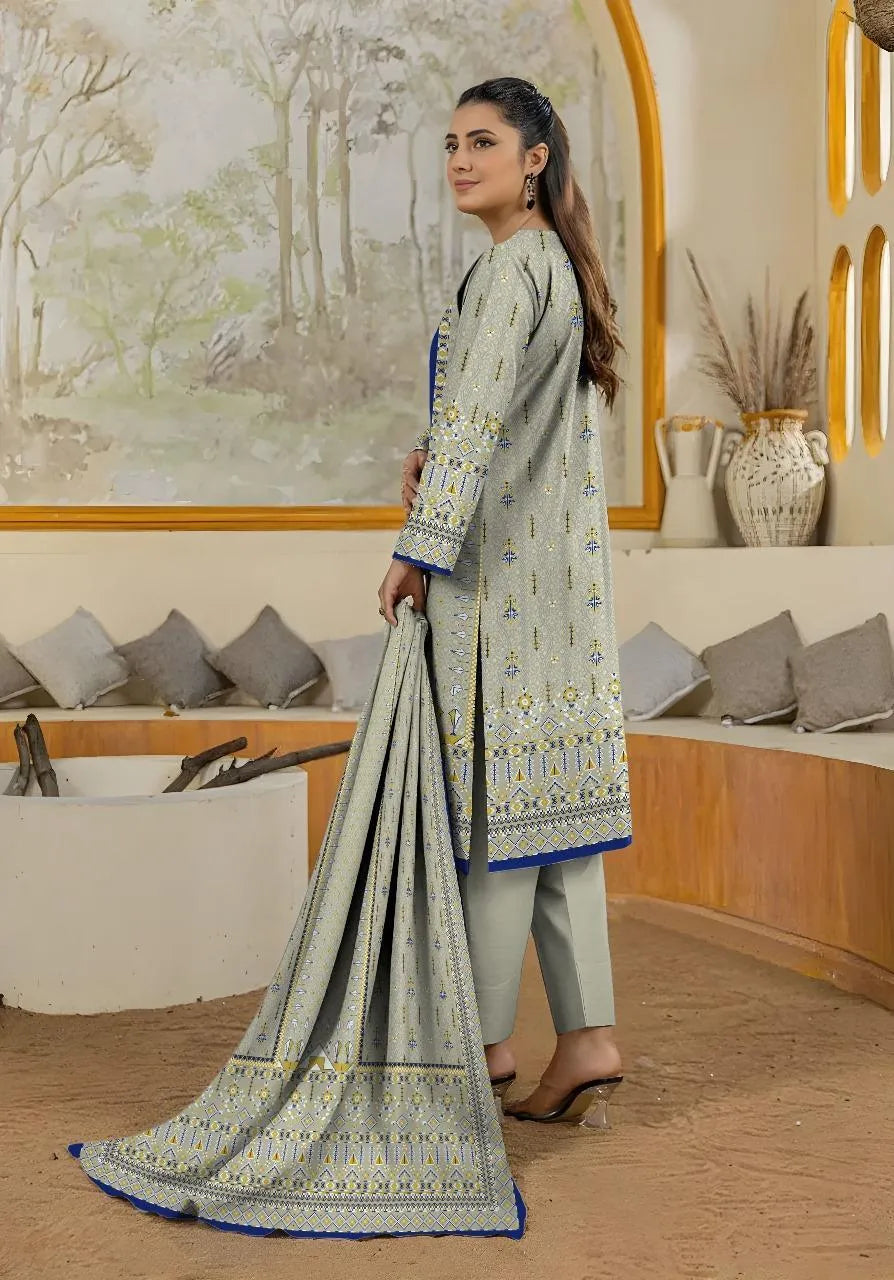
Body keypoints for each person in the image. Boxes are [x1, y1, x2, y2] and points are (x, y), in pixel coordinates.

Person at [378, 77, 632, 1127]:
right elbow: (511, 435)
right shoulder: (557, 270)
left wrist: (416, 549)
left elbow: (481, 423)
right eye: (449, 143)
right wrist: (434, 458)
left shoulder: (509, 270)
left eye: (481, 140)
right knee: (552, 822)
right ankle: (588, 1037)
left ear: (535, 159)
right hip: (565, 604)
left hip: (499, 600)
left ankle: (482, 1047)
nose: (458, 159)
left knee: (489, 821)